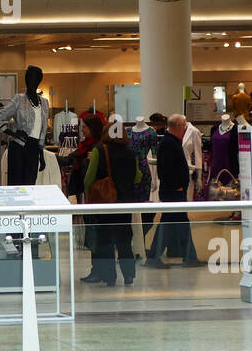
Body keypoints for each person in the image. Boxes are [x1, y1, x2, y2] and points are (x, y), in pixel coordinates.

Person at [81, 122, 140, 287]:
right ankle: (128, 276)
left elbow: (89, 178)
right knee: (124, 239)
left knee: (105, 239)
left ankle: (109, 278)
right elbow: (137, 177)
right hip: (126, 202)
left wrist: (89, 192)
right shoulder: (131, 152)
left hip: (105, 203)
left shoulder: (100, 150)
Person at [146, 114, 203, 268]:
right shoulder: (168, 143)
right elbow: (165, 169)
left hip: (175, 191)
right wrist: (176, 185)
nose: (185, 128)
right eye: (183, 125)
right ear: (177, 126)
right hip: (173, 192)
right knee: (170, 224)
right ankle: (156, 257)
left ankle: (188, 256)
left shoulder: (171, 142)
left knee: (177, 223)